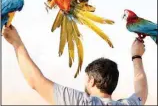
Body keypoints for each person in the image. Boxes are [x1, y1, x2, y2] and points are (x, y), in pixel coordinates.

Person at [2, 25, 148, 105]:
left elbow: (36, 82)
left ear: (91, 80)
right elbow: (142, 90)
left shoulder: (81, 102)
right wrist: (136, 56)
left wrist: (17, 44)